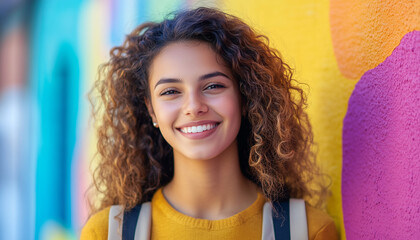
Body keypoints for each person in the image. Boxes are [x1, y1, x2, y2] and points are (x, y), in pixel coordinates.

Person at [81, 7, 338, 240]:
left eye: (213, 86)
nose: (194, 106)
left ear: (245, 96)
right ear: (151, 110)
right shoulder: (107, 233)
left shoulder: (308, 231)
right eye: (170, 91)